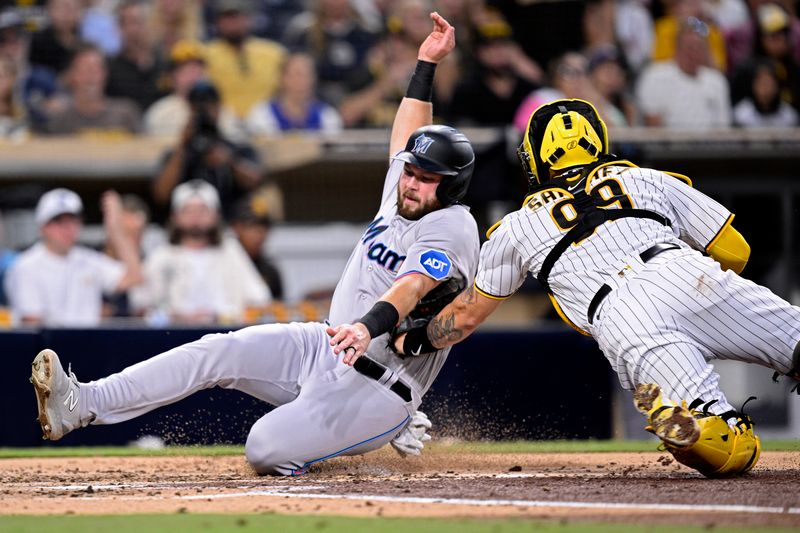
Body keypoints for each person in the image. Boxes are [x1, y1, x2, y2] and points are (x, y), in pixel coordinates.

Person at [30, 13, 480, 476]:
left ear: (451, 187)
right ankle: (82, 402)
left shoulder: (452, 226)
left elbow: (412, 285)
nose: (411, 183)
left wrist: (367, 327)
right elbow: (407, 133)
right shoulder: (403, 191)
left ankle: (363, 451)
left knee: (265, 447)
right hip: (327, 344)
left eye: (427, 179)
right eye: (410, 171)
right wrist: (426, 62)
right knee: (214, 351)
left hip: (381, 383)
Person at [336, 98, 800, 479]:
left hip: (621, 315)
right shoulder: (642, 177)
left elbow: (465, 318)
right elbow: (736, 251)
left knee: (728, 446)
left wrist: (412, 339)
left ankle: (698, 427)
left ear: (534, 159)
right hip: (684, 271)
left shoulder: (516, 227)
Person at [131, 179, 271, 324]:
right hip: (175, 338)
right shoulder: (162, 256)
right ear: (175, 216)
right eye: (188, 210)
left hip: (223, 336)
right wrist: (176, 317)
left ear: (216, 215)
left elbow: (260, 298)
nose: (196, 216)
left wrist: (221, 315)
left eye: (203, 210)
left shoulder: (230, 252)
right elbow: (140, 305)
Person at [5, 188, 142, 326]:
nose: (67, 228)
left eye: (72, 220)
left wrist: (116, 230)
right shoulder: (25, 266)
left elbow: (134, 278)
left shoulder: (88, 259)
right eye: (58, 221)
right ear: (42, 227)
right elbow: (33, 324)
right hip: (49, 345)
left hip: (90, 343)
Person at [151, 80, 263, 219]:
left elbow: (256, 182)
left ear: (219, 107)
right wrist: (182, 146)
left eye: (210, 105)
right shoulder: (177, 153)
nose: (204, 111)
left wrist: (229, 162)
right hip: (186, 226)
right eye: (198, 106)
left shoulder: (237, 148)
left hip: (228, 224)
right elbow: (161, 195)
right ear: (190, 109)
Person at [635, 16, 731, 129]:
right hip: (667, 144)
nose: (694, 53)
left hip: (709, 145)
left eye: (699, 48)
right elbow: (652, 124)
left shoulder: (717, 81)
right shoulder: (655, 76)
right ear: (677, 47)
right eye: (689, 47)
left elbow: (723, 129)